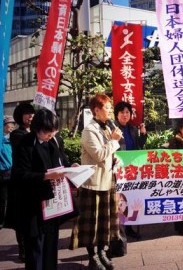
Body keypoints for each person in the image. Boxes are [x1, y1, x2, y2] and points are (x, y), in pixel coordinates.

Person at [70, 94, 122, 270]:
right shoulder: (89, 130)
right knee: (91, 224)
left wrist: (116, 160)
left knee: (104, 223)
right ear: (96, 110)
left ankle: (102, 252)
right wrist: (114, 141)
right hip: (92, 184)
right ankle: (92, 257)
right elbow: (99, 155)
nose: (110, 111)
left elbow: (108, 155)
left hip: (107, 182)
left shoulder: (106, 128)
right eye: (107, 108)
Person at [11, 109, 67, 270]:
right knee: (36, 247)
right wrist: (45, 176)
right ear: (37, 128)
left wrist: (71, 167)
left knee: (51, 244)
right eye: (47, 133)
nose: (50, 136)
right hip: (33, 205)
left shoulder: (53, 142)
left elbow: (61, 160)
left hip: (52, 202)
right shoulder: (25, 143)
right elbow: (20, 175)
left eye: (53, 132)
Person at [5, 102, 35, 262]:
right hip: (20, 181)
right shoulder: (17, 134)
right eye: (27, 114)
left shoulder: (36, 132)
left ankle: (29, 245)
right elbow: (28, 143)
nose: (30, 117)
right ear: (20, 116)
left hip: (34, 179)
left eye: (32, 114)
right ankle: (22, 248)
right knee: (20, 217)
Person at [113, 101, 147, 241]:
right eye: (122, 112)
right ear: (117, 115)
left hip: (132, 169)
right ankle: (119, 230)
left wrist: (143, 134)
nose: (125, 115)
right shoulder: (113, 129)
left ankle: (129, 228)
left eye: (127, 112)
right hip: (118, 169)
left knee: (130, 197)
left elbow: (139, 145)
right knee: (120, 199)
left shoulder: (133, 129)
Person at [0, 116, 15, 231]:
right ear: (4, 125)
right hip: (1, 171)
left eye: (13, 124)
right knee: (1, 198)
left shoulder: (14, 138)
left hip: (13, 170)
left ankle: (8, 220)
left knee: (11, 197)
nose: (12, 126)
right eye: (9, 124)